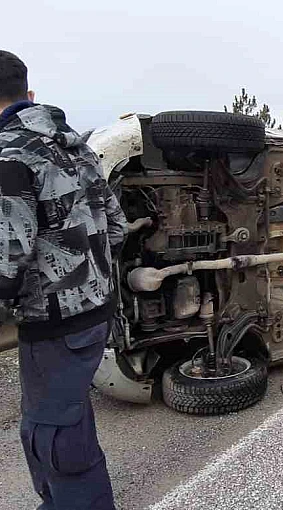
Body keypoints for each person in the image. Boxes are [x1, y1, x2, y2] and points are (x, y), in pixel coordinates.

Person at [0, 50, 125, 509]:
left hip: (54, 325)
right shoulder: (76, 145)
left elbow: (5, 262)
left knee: (56, 440)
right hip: (95, 312)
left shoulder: (9, 156)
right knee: (61, 423)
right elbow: (117, 227)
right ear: (28, 94)